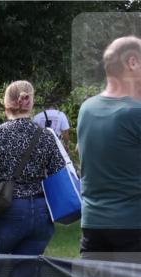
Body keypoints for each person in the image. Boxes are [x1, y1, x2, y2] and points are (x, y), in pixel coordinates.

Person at [0, 80, 65, 255]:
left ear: (6, 102)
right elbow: (59, 174)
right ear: (31, 102)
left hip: (6, 209)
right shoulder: (46, 136)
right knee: (27, 269)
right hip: (41, 213)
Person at [77, 35, 141, 259]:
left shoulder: (87, 108)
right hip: (133, 226)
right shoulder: (135, 113)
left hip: (93, 224)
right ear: (132, 62)